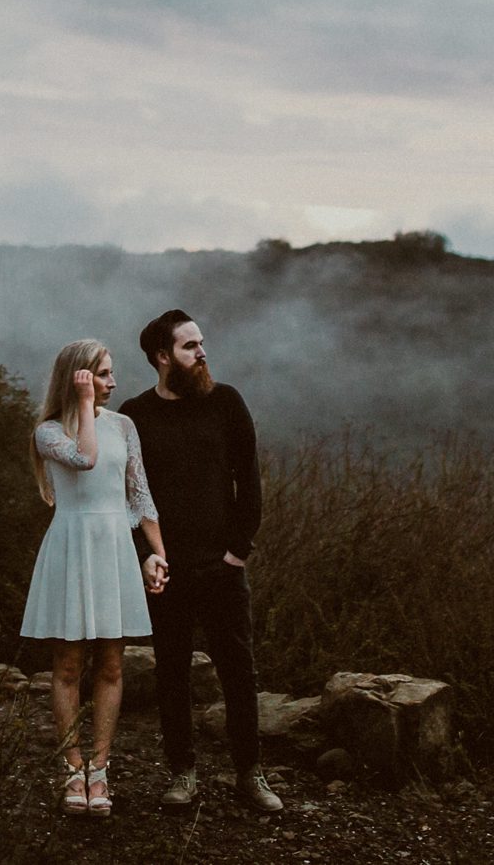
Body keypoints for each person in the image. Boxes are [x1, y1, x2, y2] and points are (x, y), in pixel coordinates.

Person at [118, 310, 283, 814]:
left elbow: (249, 480)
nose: (202, 352)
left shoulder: (226, 403)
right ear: (163, 357)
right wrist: (148, 556)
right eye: (190, 346)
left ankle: (249, 774)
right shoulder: (134, 416)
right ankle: (182, 773)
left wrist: (239, 551)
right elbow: (127, 494)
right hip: (167, 568)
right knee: (172, 671)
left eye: (202, 343)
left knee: (239, 671)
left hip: (223, 565)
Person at [20, 339, 168, 817]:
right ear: (79, 378)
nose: (112, 382)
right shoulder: (47, 431)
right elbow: (84, 459)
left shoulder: (123, 426)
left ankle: (100, 771)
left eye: (110, 373)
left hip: (114, 548)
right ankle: (72, 769)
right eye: (102, 374)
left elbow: (139, 494)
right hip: (71, 544)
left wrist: (158, 554)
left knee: (111, 665)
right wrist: (84, 406)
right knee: (66, 667)